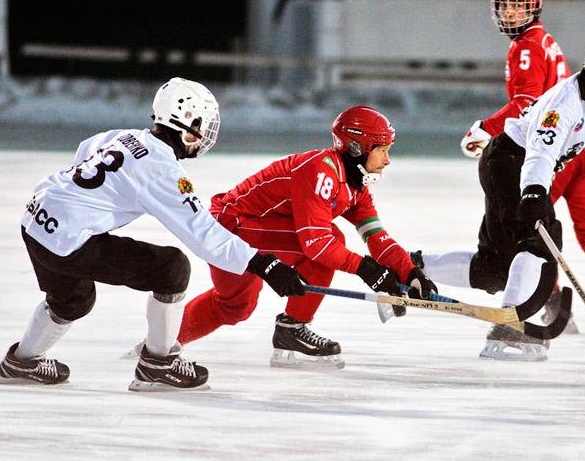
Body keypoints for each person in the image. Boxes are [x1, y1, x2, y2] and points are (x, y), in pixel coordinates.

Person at [0, 77, 305, 391]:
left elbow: (86, 151)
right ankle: (158, 364)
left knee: (73, 299)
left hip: (36, 221)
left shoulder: (120, 136)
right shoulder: (163, 171)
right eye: (204, 125)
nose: (207, 134)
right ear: (187, 124)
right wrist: (264, 264)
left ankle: (22, 362)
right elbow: (204, 234)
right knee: (172, 268)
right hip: (67, 238)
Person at [421, 0, 585, 346]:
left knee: (494, 269)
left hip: (545, 156)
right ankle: (511, 328)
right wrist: (533, 192)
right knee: (542, 237)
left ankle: (410, 268)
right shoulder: (563, 96)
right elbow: (540, 145)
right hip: (517, 159)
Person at [175, 105, 438, 369]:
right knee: (325, 242)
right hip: (232, 226)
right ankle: (163, 345)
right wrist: (367, 270)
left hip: (255, 229)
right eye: (382, 149)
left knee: (235, 306)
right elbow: (317, 244)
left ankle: (164, 343)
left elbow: (376, 236)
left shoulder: (356, 184)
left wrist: (408, 271)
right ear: (358, 147)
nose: (387, 160)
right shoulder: (321, 172)